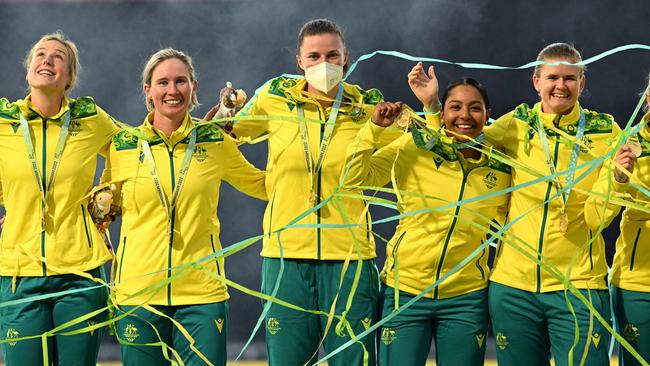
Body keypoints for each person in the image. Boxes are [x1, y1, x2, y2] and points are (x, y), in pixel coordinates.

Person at [206, 18, 402, 365]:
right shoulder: (275, 96)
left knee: (353, 361)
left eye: (331, 55)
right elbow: (228, 131)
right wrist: (226, 109)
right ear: (299, 61)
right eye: (313, 57)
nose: (323, 64)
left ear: (346, 58)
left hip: (350, 259)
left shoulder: (367, 107)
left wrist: (425, 111)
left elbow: (417, 142)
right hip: (286, 257)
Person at [102, 48, 266, 366]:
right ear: (148, 90)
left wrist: (315, 176)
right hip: (139, 293)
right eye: (162, 82)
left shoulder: (213, 141)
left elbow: (261, 185)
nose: (172, 90)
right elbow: (102, 206)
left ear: (194, 88)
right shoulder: (123, 144)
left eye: (180, 81)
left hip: (201, 294)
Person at [483, 43, 634, 365]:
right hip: (513, 287)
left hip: (578, 286)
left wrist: (619, 179)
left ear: (582, 82)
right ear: (536, 81)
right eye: (552, 77)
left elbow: (599, 218)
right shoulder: (516, 123)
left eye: (570, 78)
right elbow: (460, 142)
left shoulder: (606, 131)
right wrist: (431, 106)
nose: (560, 86)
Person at [342, 76, 510, 365]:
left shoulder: (502, 168)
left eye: (475, 108)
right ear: (442, 113)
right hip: (404, 291)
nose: (465, 116)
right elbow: (353, 180)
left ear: (488, 115)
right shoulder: (413, 147)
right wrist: (372, 130)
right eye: (455, 107)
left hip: (466, 298)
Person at [0, 31, 118, 365]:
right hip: (19, 274)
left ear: (68, 78)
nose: (47, 60)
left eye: (58, 57)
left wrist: (107, 194)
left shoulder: (90, 119)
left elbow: (134, 150)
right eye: (40, 54)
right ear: (28, 71)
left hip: (80, 275)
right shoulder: (5, 123)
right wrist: (17, 203)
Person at [609, 75, 650, 365]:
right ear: (648, 99)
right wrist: (618, 177)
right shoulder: (627, 142)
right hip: (638, 282)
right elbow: (604, 205)